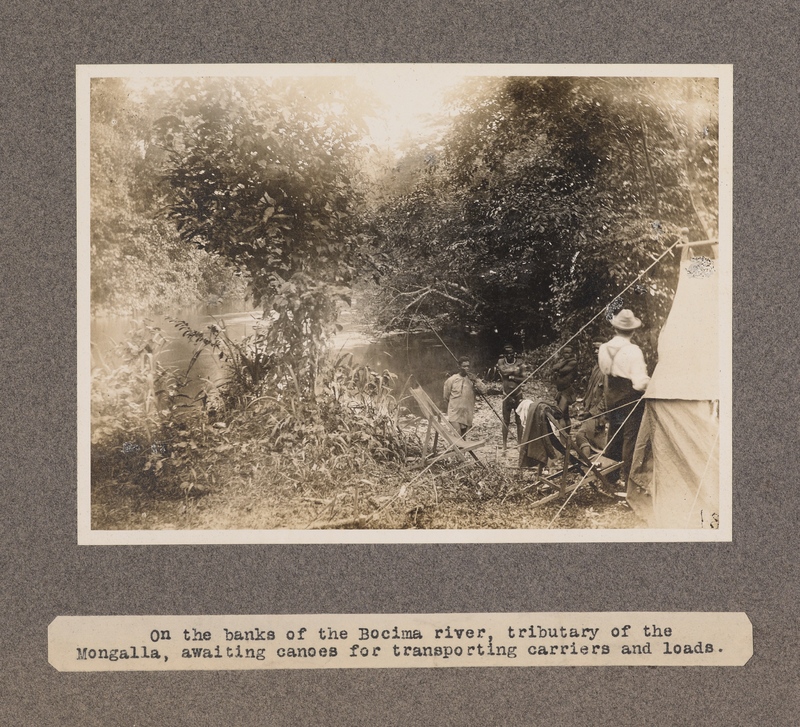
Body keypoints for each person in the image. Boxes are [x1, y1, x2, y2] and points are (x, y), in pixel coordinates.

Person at [597, 309, 650, 484]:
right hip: (629, 397)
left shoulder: (604, 348)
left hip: (611, 395)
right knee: (631, 438)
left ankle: (609, 476)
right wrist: (652, 384)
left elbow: (605, 371)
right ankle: (629, 480)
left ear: (615, 328)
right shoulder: (633, 350)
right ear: (633, 330)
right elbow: (639, 383)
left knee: (614, 433)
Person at [443, 356, 485, 438]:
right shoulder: (451, 380)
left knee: (464, 436)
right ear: (459, 367)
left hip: (467, 412)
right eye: (464, 366)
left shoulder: (472, 379)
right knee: (457, 434)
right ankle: (458, 449)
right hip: (455, 412)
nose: (467, 368)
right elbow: (446, 396)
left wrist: (476, 380)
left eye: (468, 366)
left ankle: (461, 450)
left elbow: (484, 391)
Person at [497, 343, 525, 449]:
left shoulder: (520, 362)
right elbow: (503, 372)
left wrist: (513, 377)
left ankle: (519, 443)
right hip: (506, 394)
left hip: (518, 394)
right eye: (507, 353)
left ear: (514, 353)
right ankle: (504, 444)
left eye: (511, 353)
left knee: (519, 420)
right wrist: (515, 370)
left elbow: (523, 379)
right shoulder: (501, 361)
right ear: (504, 354)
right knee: (506, 420)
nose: (509, 355)